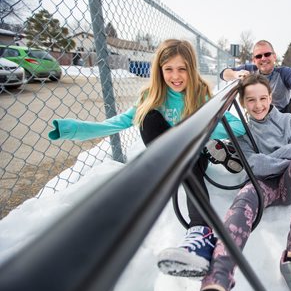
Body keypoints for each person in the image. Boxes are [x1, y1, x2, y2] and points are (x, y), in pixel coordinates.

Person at [47, 39, 245, 278]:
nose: (176, 76)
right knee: (148, 117)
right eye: (169, 69)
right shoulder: (151, 97)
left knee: (189, 161)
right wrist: (72, 129)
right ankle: (164, 170)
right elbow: (116, 123)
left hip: (193, 154)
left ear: (191, 70)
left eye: (182, 69)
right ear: (159, 71)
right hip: (165, 154)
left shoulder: (200, 94)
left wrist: (199, 128)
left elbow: (237, 126)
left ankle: (200, 234)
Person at [187, 74, 291, 291]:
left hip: (289, 182)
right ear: (243, 103)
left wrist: (271, 159)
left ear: (271, 97)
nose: (259, 105)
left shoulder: (287, 121)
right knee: (242, 202)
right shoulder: (241, 131)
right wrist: (283, 155)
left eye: (263, 98)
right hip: (259, 183)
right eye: (251, 100)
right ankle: (217, 283)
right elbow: (254, 165)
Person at [220, 40, 291, 129]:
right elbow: (223, 74)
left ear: (274, 56)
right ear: (254, 60)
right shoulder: (248, 70)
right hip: (258, 113)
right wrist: (235, 74)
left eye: (267, 54)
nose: (263, 58)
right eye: (259, 56)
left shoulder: (284, 72)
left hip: (280, 115)